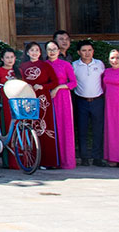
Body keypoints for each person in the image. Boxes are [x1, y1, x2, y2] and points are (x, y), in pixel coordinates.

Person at [19, 41, 60, 169]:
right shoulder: (22, 66)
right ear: (27, 52)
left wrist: (42, 86)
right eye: (32, 50)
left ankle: (48, 161)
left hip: (43, 100)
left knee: (44, 128)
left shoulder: (46, 66)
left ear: (40, 52)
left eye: (37, 50)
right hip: (28, 100)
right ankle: (30, 161)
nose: (34, 52)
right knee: (29, 128)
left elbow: (55, 82)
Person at [72, 40, 106, 166]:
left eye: (89, 50)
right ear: (79, 52)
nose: (87, 53)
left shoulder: (100, 64)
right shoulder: (74, 65)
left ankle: (97, 157)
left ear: (93, 51)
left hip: (97, 100)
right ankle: (84, 157)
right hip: (81, 101)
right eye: (84, 50)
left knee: (98, 130)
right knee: (82, 130)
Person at [46, 41, 77, 169]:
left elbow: (73, 83)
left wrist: (58, 88)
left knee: (64, 128)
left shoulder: (65, 65)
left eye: (54, 49)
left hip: (63, 98)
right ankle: (52, 161)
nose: (52, 52)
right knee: (49, 128)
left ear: (59, 51)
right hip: (47, 98)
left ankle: (66, 160)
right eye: (49, 49)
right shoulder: (43, 65)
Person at [0, 48, 19, 166]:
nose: (10, 60)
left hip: (17, 102)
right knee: (7, 127)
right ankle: (8, 161)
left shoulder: (18, 71)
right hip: (5, 101)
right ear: (2, 59)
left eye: (12, 57)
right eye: (7, 57)